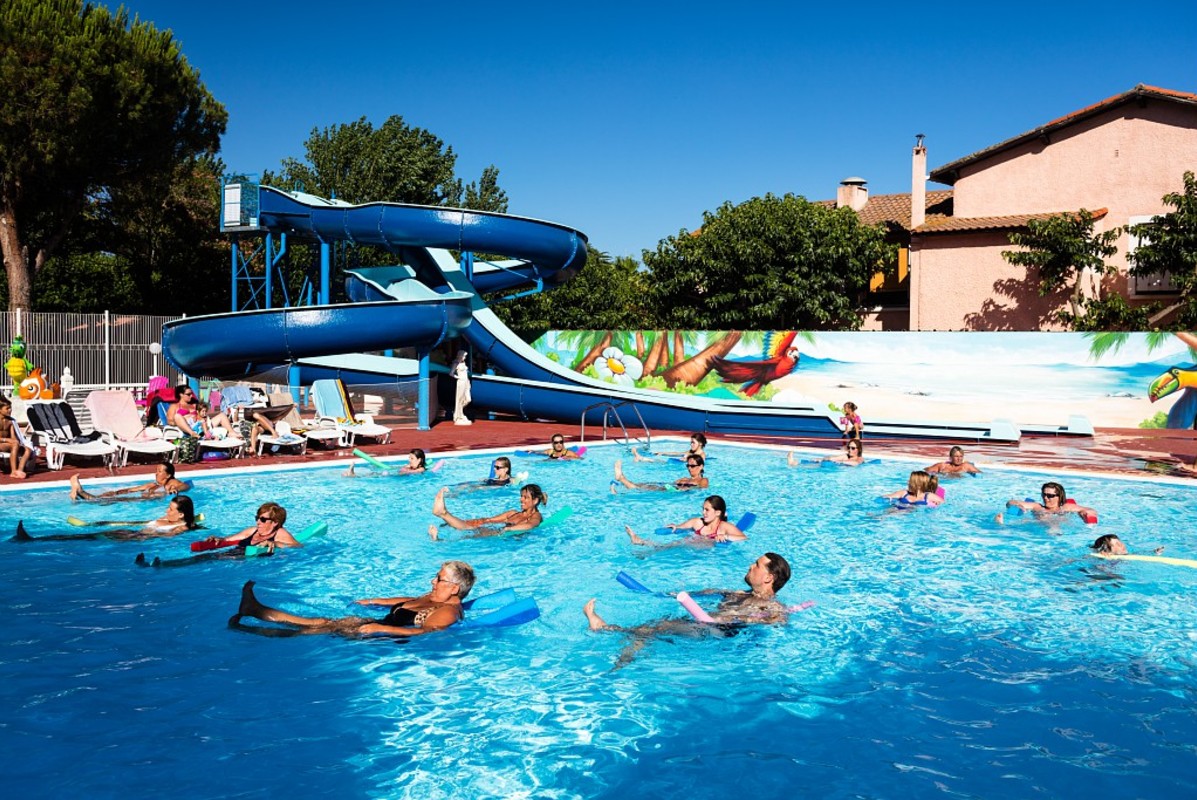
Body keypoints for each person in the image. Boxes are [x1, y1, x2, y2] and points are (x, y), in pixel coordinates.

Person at [583, 553, 792, 666]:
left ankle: (608, 634)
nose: (751, 566)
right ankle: (625, 654)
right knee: (654, 626)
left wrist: (749, 618)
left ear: (768, 577)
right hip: (702, 623)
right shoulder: (739, 593)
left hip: (717, 633)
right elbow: (712, 592)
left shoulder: (772, 606)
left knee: (657, 628)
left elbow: (778, 620)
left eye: (757, 565)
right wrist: (675, 593)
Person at [228, 560, 475, 638]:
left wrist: (381, 629)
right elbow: (410, 599)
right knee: (319, 622)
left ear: (454, 588)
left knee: (311, 631)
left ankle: (250, 626)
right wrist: (377, 600)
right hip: (374, 624)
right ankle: (252, 610)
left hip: (381, 638)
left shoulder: (448, 612)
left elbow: (427, 633)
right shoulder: (434, 597)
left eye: (439, 578)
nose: (433, 581)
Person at [135, 501, 298, 567]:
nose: (258, 522)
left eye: (262, 519)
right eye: (257, 518)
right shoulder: (252, 531)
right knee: (203, 557)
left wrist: (275, 544)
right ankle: (160, 564)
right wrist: (218, 540)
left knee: (204, 559)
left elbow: (298, 547)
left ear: (274, 522)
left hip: (244, 562)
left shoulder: (280, 533)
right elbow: (229, 539)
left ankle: (162, 565)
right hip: (233, 555)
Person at [14, 496, 198, 542]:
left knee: (85, 538)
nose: (166, 510)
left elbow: (169, 535)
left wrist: (149, 533)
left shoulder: (182, 527)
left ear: (181, 514)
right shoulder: (167, 518)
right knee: (87, 536)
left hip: (135, 538)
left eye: (170, 509)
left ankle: (34, 540)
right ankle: (37, 539)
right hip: (130, 533)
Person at [428, 484, 547, 539]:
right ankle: (444, 515)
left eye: (525, 497)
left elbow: (530, 525)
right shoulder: (512, 513)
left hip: (509, 537)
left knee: (468, 534)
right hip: (498, 531)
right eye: (521, 496)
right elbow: (489, 520)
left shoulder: (536, 516)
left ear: (535, 500)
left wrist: (509, 529)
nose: (521, 499)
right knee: (469, 527)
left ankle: (443, 518)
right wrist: (473, 521)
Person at [625, 494, 747, 547]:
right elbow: (681, 527)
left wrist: (725, 536)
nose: (703, 512)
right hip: (690, 545)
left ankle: (642, 544)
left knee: (670, 548)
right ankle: (641, 542)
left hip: (705, 553)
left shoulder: (724, 526)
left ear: (718, 513)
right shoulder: (698, 522)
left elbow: (744, 538)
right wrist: (676, 527)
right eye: (703, 509)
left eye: (707, 510)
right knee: (670, 546)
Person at [69, 462, 188, 502]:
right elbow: (132, 490)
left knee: (112, 501)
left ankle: (81, 493)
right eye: (156, 471)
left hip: (143, 502)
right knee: (111, 496)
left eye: (160, 471)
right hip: (139, 500)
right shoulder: (152, 485)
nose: (156, 473)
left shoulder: (171, 482)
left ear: (168, 475)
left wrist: (176, 489)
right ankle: (81, 493)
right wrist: (116, 492)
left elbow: (185, 485)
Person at [997, 481, 1097, 524]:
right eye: (1044, 494)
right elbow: (1010, 502)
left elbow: (1090, 510)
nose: (1046, 498)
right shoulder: (1037, 507)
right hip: (1038, 527)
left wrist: (1085, 513)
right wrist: (1017, 505)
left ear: (1060, 496)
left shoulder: (1066, 507)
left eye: (1050, 496)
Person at [611, 456, 708, 493]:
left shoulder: (703, 480)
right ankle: (622, 481)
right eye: (688, 466)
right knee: (642, 485)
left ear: (701, 466)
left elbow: (701, 488)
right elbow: (671, 484)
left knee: (644, 489)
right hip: (669, 487)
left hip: (675, 491)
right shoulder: (684, 478)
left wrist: (684, 489)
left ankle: (622, 479)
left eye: (692, 466)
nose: (689, 468)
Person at [0, 394, 32, 479]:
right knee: (14, 444)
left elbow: (13, 436)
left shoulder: (10, 421)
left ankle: (19, 470)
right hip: (1, 443)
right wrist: (7, 440)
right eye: (7, 408)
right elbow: (10, 440)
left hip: (6, 444)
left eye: (10, 408)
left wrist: (17, 442)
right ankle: (13, 471)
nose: (10, 410)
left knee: (27, 449)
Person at [633, 433, 707, 462]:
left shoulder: (701, 455)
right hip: (677, 463)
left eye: (693, 442)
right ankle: (641, 458)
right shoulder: (691, 451)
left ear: (700, 443)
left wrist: (686, 460)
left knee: (660, 462)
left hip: (678, 466)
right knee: (659, 461)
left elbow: (699, 463)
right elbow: (677, 453)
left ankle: (640, 458)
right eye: (691, 442)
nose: (691, 444)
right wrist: (663, 453)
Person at [788, 439, 866, 467]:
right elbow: (834, 458)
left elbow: (856, 463)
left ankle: (795, 464)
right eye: (849, 447)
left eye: (853, 448)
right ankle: (794, 463)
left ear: (858, 449)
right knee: (819, 461)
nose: (850, 450)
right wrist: (826, 458)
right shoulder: (846, 456)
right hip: (837, 467)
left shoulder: (860, 458)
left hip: (839, 468)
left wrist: (841, 462)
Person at [451, 350, 472, 425]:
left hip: (466, 382)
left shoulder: (463, 363)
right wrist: (459, 377)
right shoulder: (456, 363)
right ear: (460, 355)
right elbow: (451, 373)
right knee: (460, 399)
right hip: (461, 382)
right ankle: (458, 416)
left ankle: (459, 412)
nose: (465, 357)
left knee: (468, 399)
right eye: (464, 356)